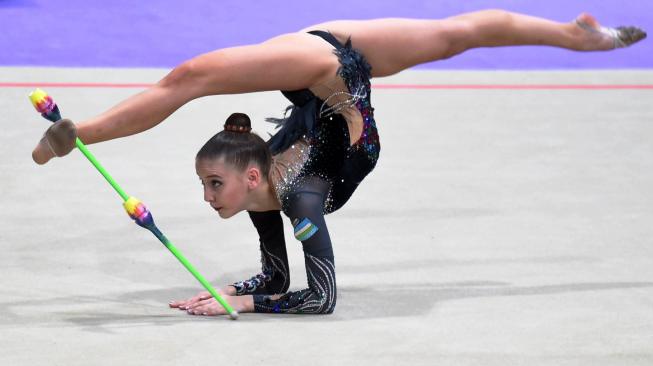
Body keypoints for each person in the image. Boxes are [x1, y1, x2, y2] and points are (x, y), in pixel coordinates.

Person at [31, 10, 645, 315]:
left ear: (243, 175)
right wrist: (240, 291)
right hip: (328, 77)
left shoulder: (291, 193)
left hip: (329, 78)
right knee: (454, 35)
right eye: (209, 187)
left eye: (212, 184)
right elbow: (278, 278)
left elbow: (318, 299)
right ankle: (575, 35)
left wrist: (248, 301)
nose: (208, 197)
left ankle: (576, 36)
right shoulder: (264, 184)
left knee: (189, 77)